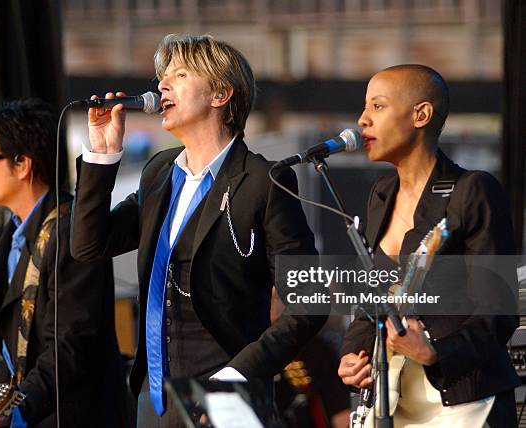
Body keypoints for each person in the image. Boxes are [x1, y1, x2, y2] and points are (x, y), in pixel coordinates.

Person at [70, 34, 325, 427]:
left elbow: (308, 302)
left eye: (180, 75)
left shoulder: (263, 181)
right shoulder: (159, 172)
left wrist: (239, 374)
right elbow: (90, 244)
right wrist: (103, 154)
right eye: (162, 78)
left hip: (228, 397)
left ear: (220, 93)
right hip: (153, 399)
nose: (161, 86)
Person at [337, 65, 520, 427]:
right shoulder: (381, 195)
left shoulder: (473, 190)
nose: (362, 121)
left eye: (377, 106)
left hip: (462, 402)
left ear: (421, 115)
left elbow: (498, 313)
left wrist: (435, 351)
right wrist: (351, 355)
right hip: (392, 399)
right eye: (364, 108)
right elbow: (373, 301)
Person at [0, 99, 130, 428]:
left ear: (22, 165)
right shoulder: (15, 232)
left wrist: (18, 410)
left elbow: (71, 345)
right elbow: (10, 348)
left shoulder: (72, 228)